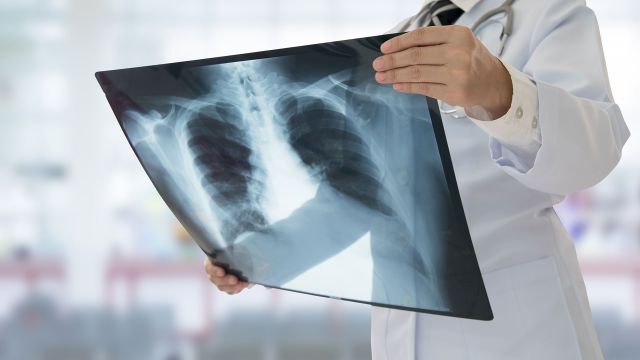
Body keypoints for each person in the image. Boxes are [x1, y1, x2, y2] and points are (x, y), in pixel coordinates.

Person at [204, 0, 630, 358]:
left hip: (520, 331)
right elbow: (361, 198)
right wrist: (262, 254)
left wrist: (502, 92)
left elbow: (593, 152)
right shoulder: (394, 41)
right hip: (401, 333)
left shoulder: (548, 13)